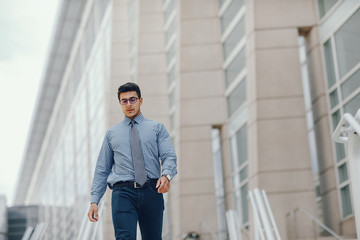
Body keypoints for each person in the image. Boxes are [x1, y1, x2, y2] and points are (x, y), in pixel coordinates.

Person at [87, 82, 177, 240]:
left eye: (133, 99)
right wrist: (95, 200)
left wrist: (166, 175)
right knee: (124, 237)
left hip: (152, 191)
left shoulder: (157, 128)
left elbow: (169, 155)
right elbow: (102, 169)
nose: (129, 104)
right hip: (123, 194)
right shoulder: (111, 134)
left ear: (140, 101)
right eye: (124, 101)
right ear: (120, 103)